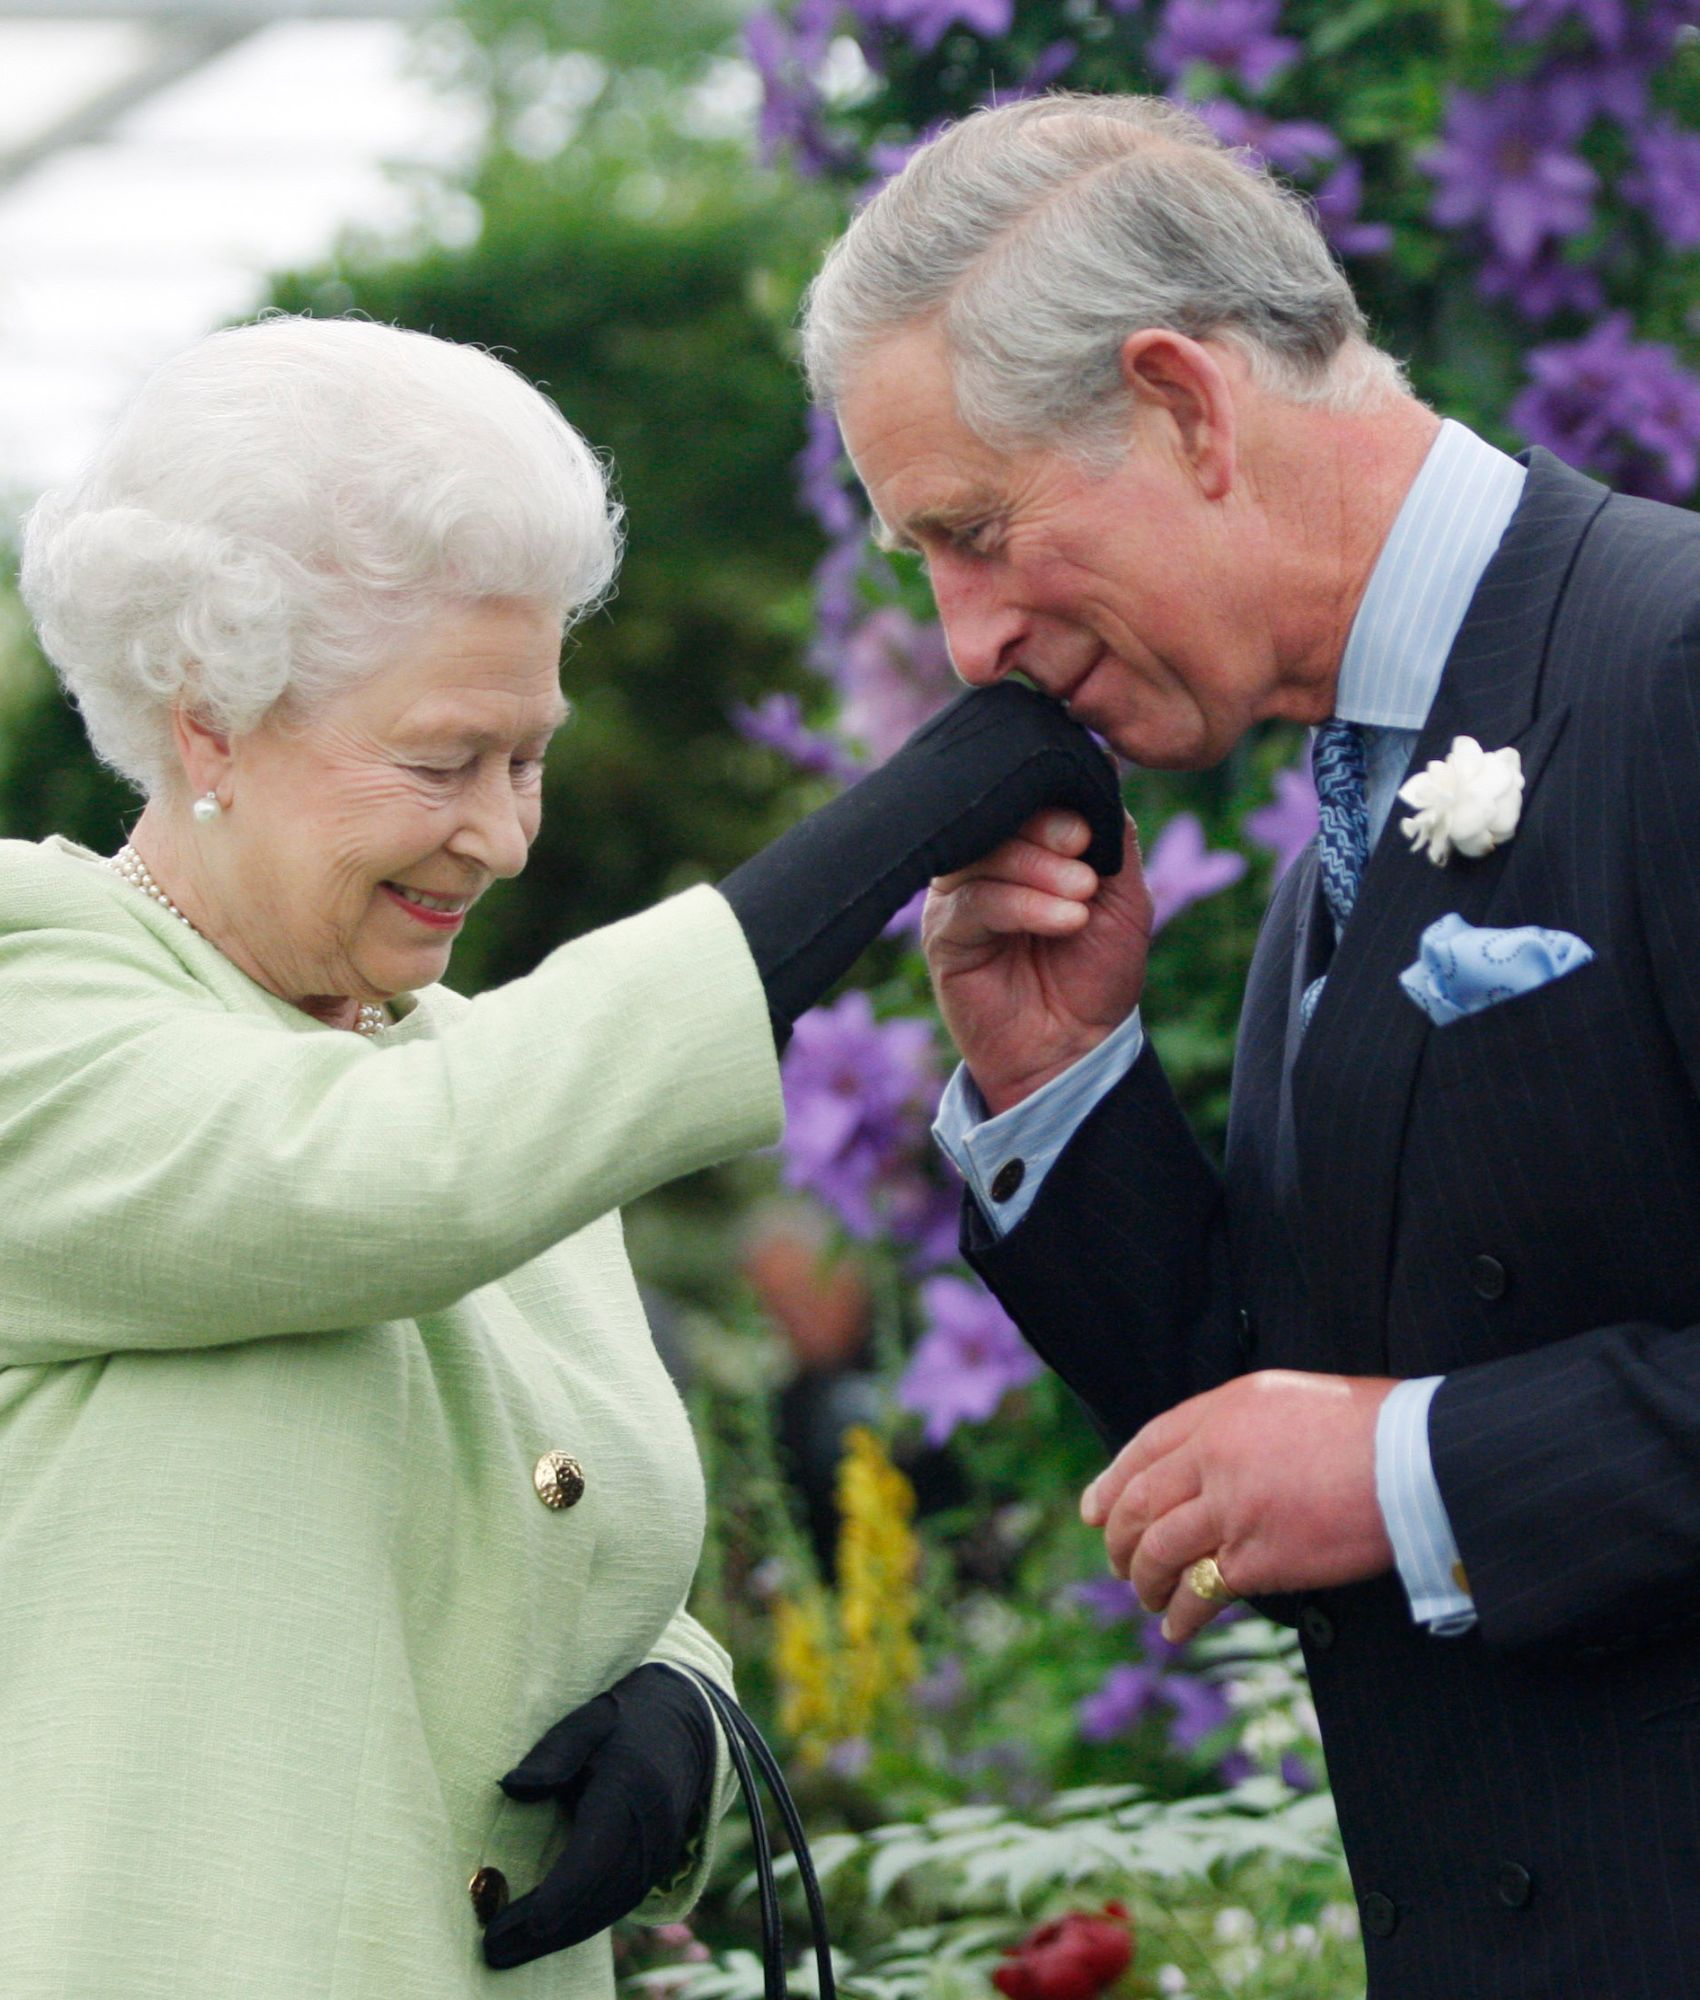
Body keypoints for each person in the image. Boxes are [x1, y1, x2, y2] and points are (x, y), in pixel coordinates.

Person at [0, 313, 1121, 1999]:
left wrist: (676, 1703)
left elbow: (525, 1535)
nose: (505, 833)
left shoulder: (476, 1081)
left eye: (527, 756)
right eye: (442, 761)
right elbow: (387, 1184)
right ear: (208, 720)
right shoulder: (43, 994)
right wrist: (894, 831)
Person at [804, 89, 1700, 1999]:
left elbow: (1368, 1459)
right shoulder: (1346, 804)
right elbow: (1262, 1443)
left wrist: (1420, 1474)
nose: (964, 641)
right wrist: (1063, 1089)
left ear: (1186, 406)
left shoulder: (1674, 662)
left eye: (974, 531)